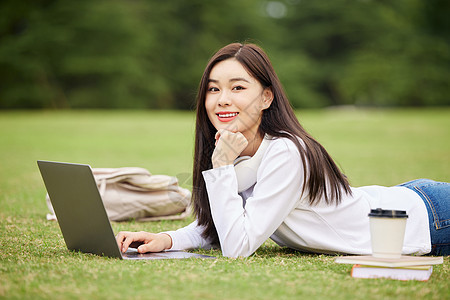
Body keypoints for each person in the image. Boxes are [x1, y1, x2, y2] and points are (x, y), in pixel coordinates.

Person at [116, 43, 449, 257]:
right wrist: (167, 239)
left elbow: (238, 247)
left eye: (238, 87)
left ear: (266, 98)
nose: (222, 99)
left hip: (428, 219)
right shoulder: (234, 150)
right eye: (213, 89)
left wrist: (219, 169)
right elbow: (227, 222)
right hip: (405, 199)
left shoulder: (287, 152)